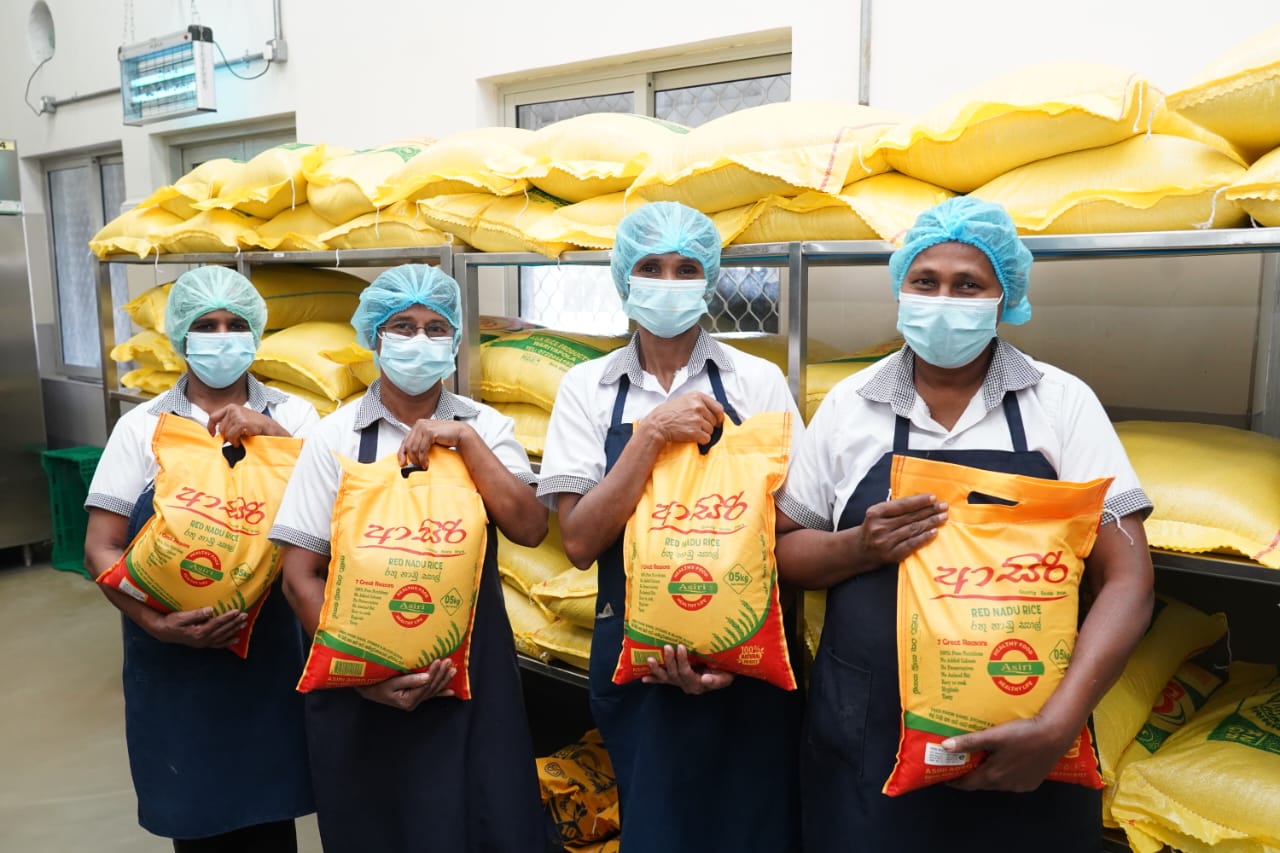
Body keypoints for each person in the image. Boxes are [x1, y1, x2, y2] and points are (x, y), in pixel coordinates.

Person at [773, 196, 1155, 852]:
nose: (943, 299)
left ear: (1004, 298)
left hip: (1027, 732)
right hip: (871, 740)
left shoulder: (1061, 404)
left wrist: (1058, 726)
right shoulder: (848, 406)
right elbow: (784, 550)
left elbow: (1129, 580)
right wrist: (859, 546)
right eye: (925, 281)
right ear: (900, 289)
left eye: (968, 284)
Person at [537, 201, 804, 852]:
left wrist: (726, 645)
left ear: (709, 280)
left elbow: (790, 523)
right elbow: (580, 542)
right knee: (658, 830)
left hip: (747, 657)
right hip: (636, 658)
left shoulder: (757, 380)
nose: (668, 281)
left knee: (754, 832)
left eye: (687, 269)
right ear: (624, 277)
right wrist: (650, 434)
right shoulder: (589, 388)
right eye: (651, 267)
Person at [270, 264, 553, 853]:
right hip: (360, 690)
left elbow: (529, 528)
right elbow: (300, 576)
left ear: (454, 341)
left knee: (485, 828)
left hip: (468, 677)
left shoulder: (487, 426)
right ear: (374, 338)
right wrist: (366, 674)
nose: (419, 340)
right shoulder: (335, 437)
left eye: (435, 328)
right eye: (403, 326)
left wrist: (466, 442)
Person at [83, 266, 318, 853]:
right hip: (173, 663)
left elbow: (328, 527)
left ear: (257, 333)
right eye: (206, 325)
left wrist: (275, 439)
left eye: (235, 324)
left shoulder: (298, 417)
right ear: (180, 335)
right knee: (196, 818)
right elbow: (101, 547)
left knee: (271, 819)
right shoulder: (141, 428)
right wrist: (157, 624)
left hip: (268, 652)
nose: (221, 337)